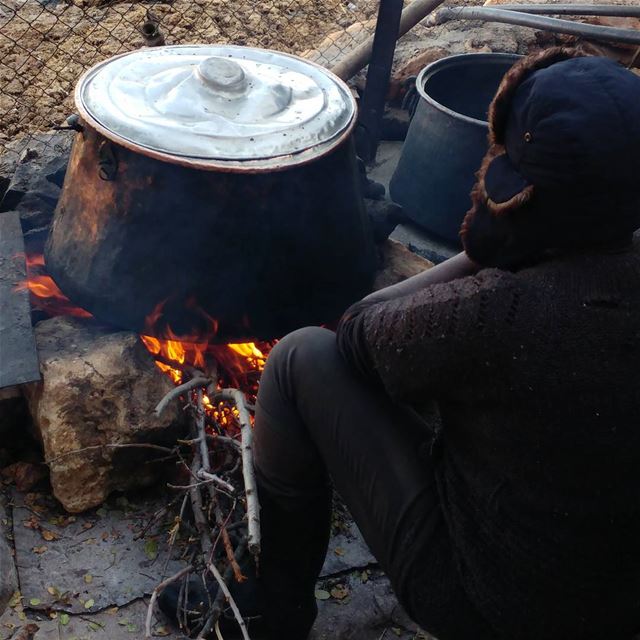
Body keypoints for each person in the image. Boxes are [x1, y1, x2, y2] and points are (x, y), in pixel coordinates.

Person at [251, 47, 640, 640]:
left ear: (518, 196)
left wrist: (483, 251)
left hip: (496, 607)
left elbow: (356, 330)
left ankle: (272, 611)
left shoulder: (497, 313)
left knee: (298, 358)